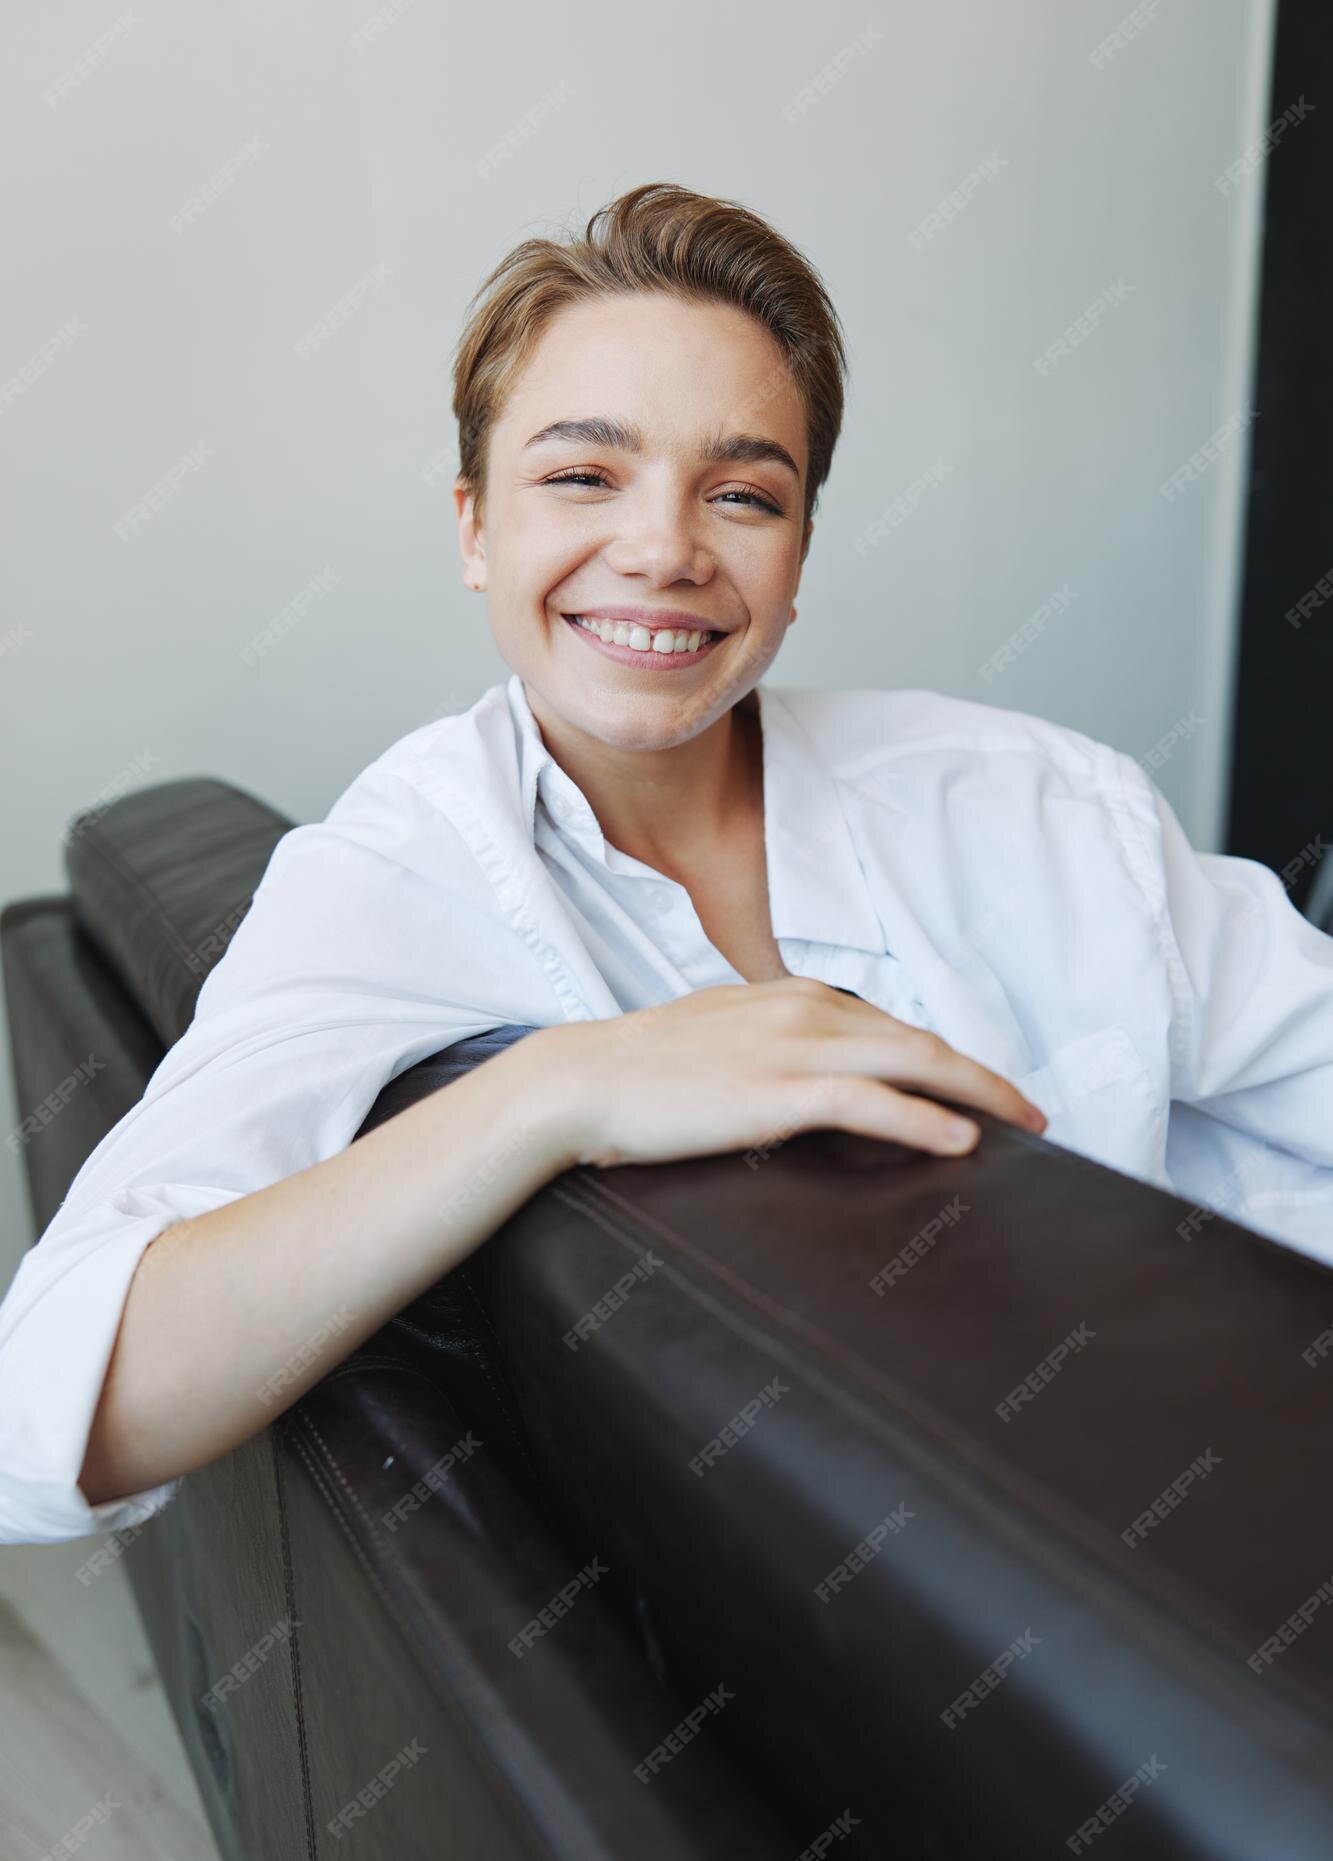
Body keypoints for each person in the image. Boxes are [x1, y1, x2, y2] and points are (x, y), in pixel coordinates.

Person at [2, 181, 1331, 1547]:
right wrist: (559, 1089)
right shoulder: (396, 878)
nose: (661, 549)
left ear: (799, 553)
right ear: (473, 527)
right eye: (582, 475)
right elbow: (38, 1422)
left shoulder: (1039, 801)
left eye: (742, 493)